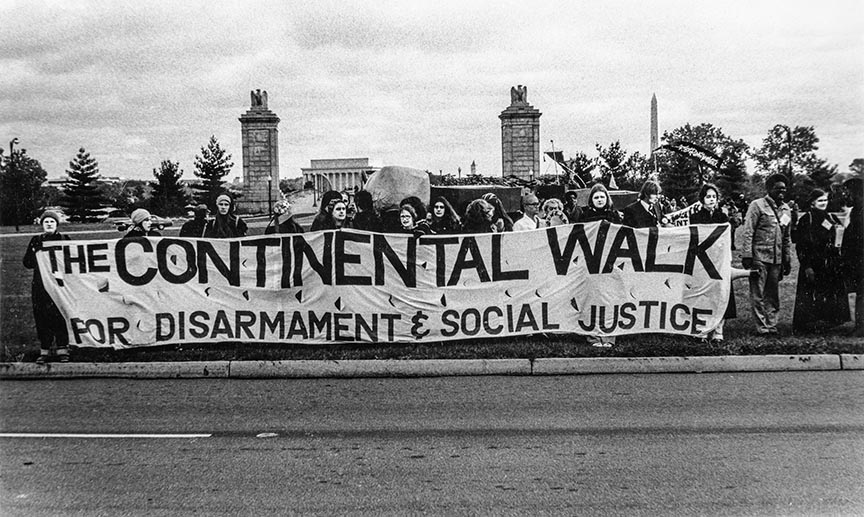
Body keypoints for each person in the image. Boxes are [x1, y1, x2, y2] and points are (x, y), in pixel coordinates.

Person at [740, 174, 793, 335]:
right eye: (778, 189)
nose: (782, 192)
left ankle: (772, 325)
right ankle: (762, 327)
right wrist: (747, 255)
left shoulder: (786, 210)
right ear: (769, 189)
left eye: (784, 189)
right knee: (758, 293)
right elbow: (748, 231)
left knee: (773, 294)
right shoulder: (757, 205)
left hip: (776, 259)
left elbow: (786, 237)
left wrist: (787, 258)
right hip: (759, 257)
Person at [791, 188, 849, 333]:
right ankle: (808, 323)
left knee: (828, 292)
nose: (824, 203)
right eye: (820, 200)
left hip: (829, 263)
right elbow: (801, 245)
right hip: (813, 262)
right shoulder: (807, 219)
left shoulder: (831, 218)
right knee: (810, 292)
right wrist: (807, 265)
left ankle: (828, 321)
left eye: (825, 200)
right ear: (812, 202)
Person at [689, 183, 737, 341]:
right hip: (702, 262)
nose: (711, 200)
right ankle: (702, 329)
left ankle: (718, 329)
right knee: (703, 294)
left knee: (720, 293)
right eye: (708, 196)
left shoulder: (722, 218)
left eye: (714, 197)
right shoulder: (695, 217)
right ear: (702, 199)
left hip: (718, 260)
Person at [23, 210, 71, 364]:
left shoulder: (63, 239)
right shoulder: (36, 240)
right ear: (42, 224)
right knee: (42, 316)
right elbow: (27, 263)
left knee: (60, 313)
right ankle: (45, 348)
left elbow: (73, 261)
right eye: (46, 222)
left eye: (52, 221)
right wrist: (34, 252)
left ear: (57, 224)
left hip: (58, 283)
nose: (49, 224)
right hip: (40, 284)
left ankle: (62, 348)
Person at [841, 178, 863, 336]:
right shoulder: (857, 210)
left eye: (847, 193)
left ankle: (861, 327)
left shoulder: (861, 212)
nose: (845, 196)